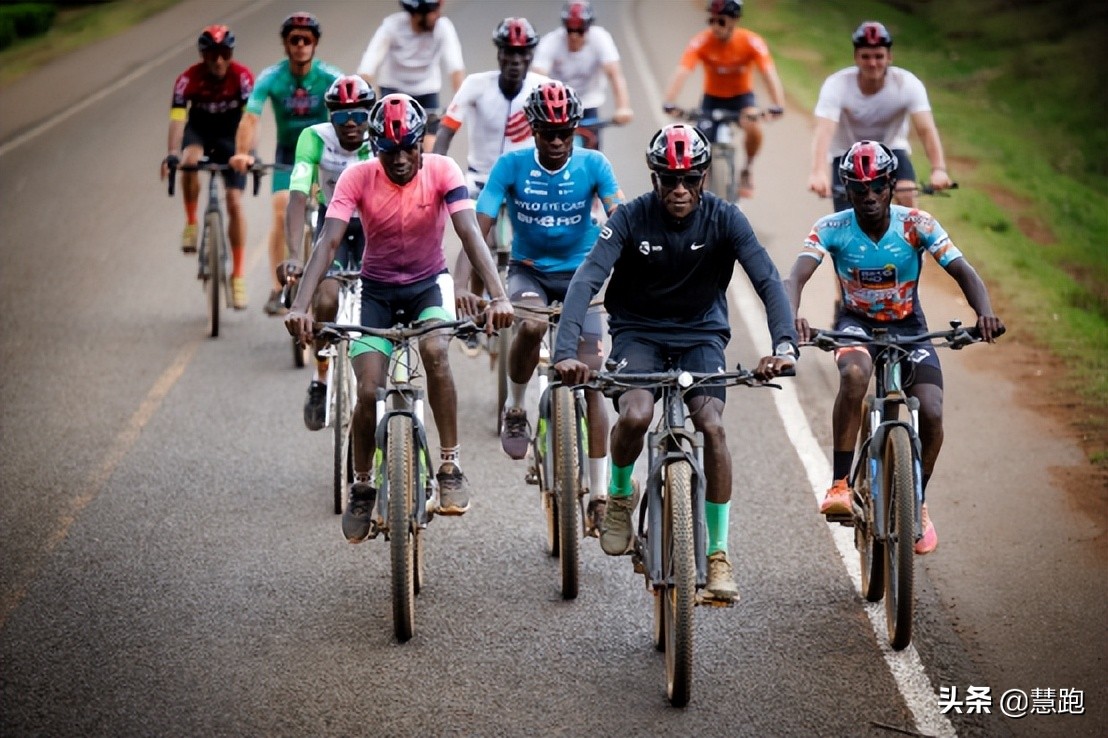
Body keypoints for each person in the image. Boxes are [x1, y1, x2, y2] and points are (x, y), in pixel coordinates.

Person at [553, 123, 797, 601]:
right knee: (638, 413)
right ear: (654, 178)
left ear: (704, 177)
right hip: (638, 332)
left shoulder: (726, 219)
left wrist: (784, 344)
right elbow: (585, 282)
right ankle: (621, 496)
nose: (679, 190)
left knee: (713, 426)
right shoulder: (629, 219)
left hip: (701, 334)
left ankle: (719, 555)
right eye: (669, 179)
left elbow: (768, 280)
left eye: (689, 180)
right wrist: (564, 354)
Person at [284, 94, 514, 541]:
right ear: (375, 148)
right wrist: (299, 304)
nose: (402, 159)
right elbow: (328, 243)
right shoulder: (357, 177)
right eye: (390, 151)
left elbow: (469, 233)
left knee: (435, 352)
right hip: (377, 293)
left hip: (429, 285)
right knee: (369, 389)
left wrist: (499, 295)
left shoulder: (444, 171)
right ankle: (363, 485)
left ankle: (450, 465)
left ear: (421, 146)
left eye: (410, 148)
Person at [784, 140, 1004, 555]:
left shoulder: (916, 223)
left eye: (877, 187)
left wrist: (985, 312)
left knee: (933, 412)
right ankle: (841, 484)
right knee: (854, 375)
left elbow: (963, 270)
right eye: (859, 189)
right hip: (856, 326)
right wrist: (790, 318)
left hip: (909, 327)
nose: (869, 197)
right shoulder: (831, 228)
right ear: (847, 190)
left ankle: (917, 501)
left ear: (890, 185)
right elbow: (793, 278)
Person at [455, 81, 624, 535]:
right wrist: (468, 285)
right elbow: (479, 228)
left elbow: (621, 220)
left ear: (574, 130)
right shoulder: (509, 166)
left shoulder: (595, 165)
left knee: (591, 376)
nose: (555, 141)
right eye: (546, 131)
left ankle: (600, 495)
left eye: (563, 132)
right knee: (528, 328)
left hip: (581, 278)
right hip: (528, 272)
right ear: (531, 129)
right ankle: (514, 408)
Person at [230, 12, 342, 315]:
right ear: (285, 44)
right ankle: (280, 288)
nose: (301, 45)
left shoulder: (330, 77)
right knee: (281, 209)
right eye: (295, 39)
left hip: (322, 156)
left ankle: (333, 278)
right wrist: (243, 152)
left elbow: (348, 112)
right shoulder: (271, 77)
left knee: (328, 214)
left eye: (307, 40)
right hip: (287, 154)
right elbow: (251, 117)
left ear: (315, 43)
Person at [282, 75, 376, 432]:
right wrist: (293, 253)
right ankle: (321, 379)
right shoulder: (314, 138)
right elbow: (297, 197)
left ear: (370, 114)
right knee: (326, 299)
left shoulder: (379, 138)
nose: (350, 124)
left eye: (358, 115)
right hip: (332, 224)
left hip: (371, 227)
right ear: (329, 116)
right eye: (340, 117)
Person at [434, 16, 550, 302]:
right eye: (508, 51)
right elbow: (445, 133)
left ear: (531, 55)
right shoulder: (475, 85)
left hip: (525, 180)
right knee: (478, 239)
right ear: (498, 53)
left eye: (522, 53)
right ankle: (472, 306)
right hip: (479, 179)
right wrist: (433, 172)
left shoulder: (543, 88)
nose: (515, 59)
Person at [807, 21, 953, 213]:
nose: (872, 63)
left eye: (879, 56)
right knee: (848, 217)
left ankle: (915, 241)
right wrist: (818, 172)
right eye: (865, 56)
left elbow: (926, 129)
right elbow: (825, 130)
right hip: (846, 153)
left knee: (907, 193)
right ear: (856, 58)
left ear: (889, 57)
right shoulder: (837, 85)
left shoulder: (907, 84)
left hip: (891, 149)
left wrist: (938, 169)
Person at [161, 25, 254, 309]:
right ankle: (191, 222)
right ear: (203, 55)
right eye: (212, 55)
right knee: (189, 161)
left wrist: (247, 154)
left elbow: (251, 120)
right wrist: (172, 153)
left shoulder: (242, 77)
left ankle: (238, 276)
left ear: (231, 54)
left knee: (234, 203)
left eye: (224, 54)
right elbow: (178, 119)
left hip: (231, 137)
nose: (218, 61)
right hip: (199, 132)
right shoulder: (187, 79)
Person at [661, 0, 785, 199]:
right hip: (712, 99)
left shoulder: (750, 41)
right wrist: (669, 101)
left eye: (720, 21)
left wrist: (778, 105)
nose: (714, 27)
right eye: (711, 20)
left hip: (742, 98)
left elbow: (768, 73)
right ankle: (703, 185)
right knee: (699, 143)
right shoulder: (701, 41)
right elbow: (682, 72)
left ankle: (747, 169)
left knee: (753, 125)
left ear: (735, 21)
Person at [356, 0, 466, 152]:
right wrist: (363, 100)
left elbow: (456, 68)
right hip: (393, 88)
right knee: (391, 144)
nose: (437, 16)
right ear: (416, 14)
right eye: (432, 12)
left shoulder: (443, 27)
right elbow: (369, 64)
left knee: (432, 151)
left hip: (427, 91)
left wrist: (459, 104)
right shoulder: (392, 26)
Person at [530, 0, 634, 150]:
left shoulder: (601, 39)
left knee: (594, 154)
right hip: (558, 107)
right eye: (570, 30)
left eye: (580, 31)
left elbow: (615, 74)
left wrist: (623, 107)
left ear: (588, 28)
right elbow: (536, 78)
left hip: (589, 105)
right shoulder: (550, 42)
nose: (574, 36)